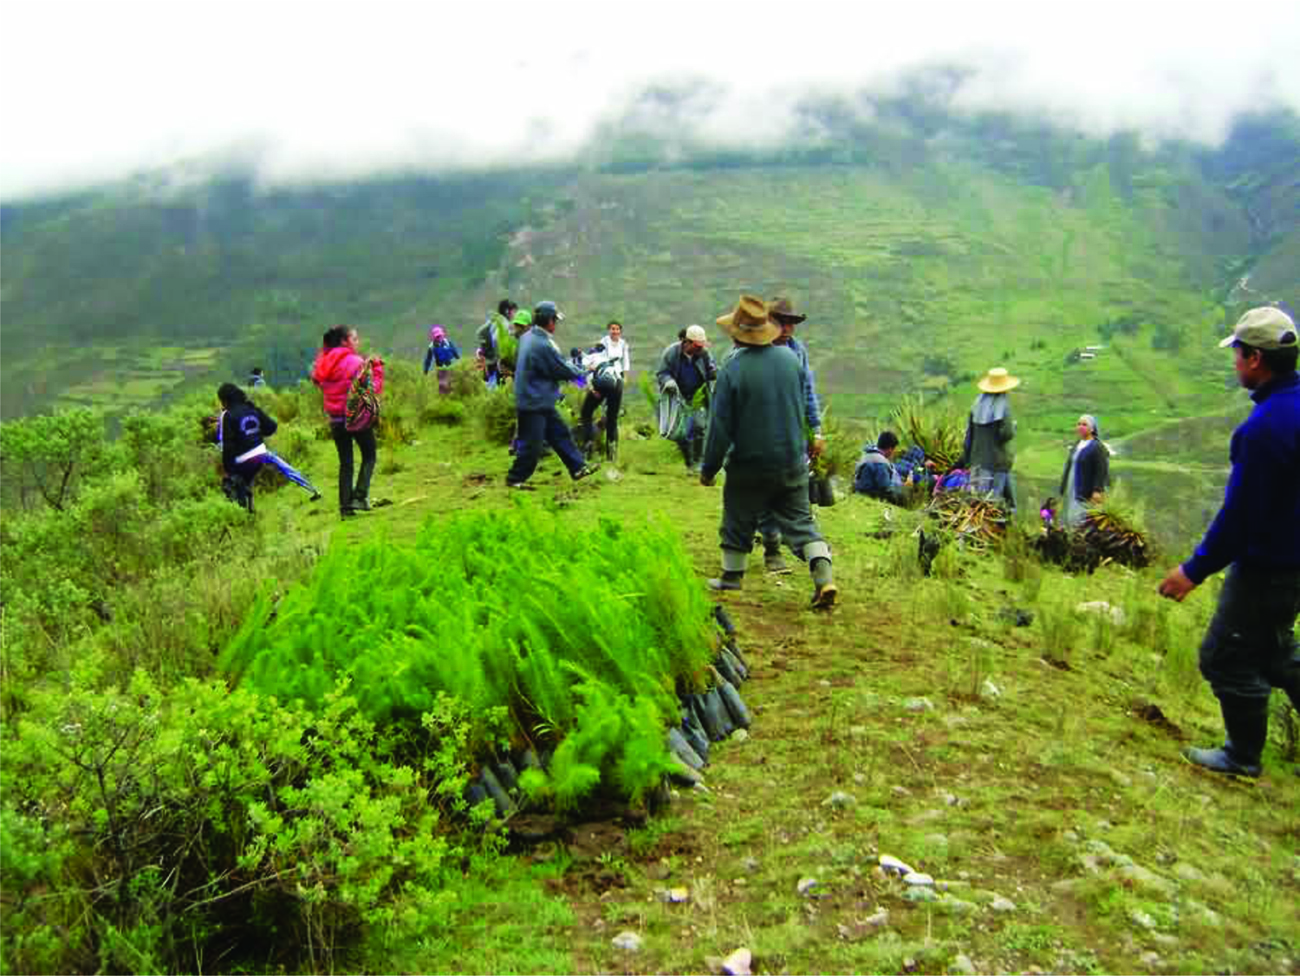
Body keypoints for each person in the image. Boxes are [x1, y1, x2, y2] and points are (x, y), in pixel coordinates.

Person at [1158, 306, 1300, 777]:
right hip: (1294, 564)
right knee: (1276, 651)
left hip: (1268, 566)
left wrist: (1192, 571)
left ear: (1255, 359)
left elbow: (1239, 520)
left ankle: (1241, 756)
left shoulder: (1262, 431)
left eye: (1237, 353)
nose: (1234, 362)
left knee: (1224, 657)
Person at [699, 295, 837, 610]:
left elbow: (720, 428)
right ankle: (824, 577)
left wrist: (709, 469)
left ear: (738, 333)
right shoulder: (791, 360)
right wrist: (813, 435)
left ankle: (731, 577)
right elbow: (805, 404)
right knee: (802, 522)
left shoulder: (733, 368)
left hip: (749, 464)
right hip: (791, 461)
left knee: (737, 513)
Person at [505, 301, 601, 489]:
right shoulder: (542, 344)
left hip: (538, 398)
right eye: (554, 320)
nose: (556, 324)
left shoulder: (528, 336)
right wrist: (585, 369)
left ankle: (578, 467)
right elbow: (562, 369)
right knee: (532, 444)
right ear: (548, 321)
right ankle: (515, 478)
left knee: (560, 434)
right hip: (533, 402)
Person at [758, 297, 823, 570]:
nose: (787, 329)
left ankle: (804, 547)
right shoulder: (755, 350)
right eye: (782, 323)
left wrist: (816, 430)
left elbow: (808, 391)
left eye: (791, 323)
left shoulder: (799, 351)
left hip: (794, 432)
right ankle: (772, 547)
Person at [312, 325, 385, 519]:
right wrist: (377, 370)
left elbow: (318, 381)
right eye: (354, 338)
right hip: (356, 417)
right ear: (344, 341)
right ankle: (359, 497)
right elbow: (371, 391)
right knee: (369, 455)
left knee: (346, 463)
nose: (357, 342)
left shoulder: (322, 363)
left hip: (335, 420)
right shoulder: (356, 362)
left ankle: (345, 509)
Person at [215, 383, 320, 511]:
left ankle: (244, 510)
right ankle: (313, 490)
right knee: (286, 469)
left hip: (242, 459)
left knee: (240, 481)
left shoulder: (227, 415)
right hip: (261, 453)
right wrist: (255, 433)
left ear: (225, 400)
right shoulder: (252, 408)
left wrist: (229, 471)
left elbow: (227, 446)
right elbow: (271, 427)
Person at [656, 324, 717, 470]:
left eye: (701, 346)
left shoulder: (704, 354)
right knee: (680, 433)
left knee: (699, 426)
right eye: (697, 346)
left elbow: (712, 370)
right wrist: (668, 381)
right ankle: (689, 463)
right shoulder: (671, 353)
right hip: (677, 397)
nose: (700, 349)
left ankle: (698, 462)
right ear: (687, 342)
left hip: (697, 396)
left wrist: (714, 372)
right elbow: (662, 373)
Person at [960, 367, 1020, 512]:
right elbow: (1006, 434)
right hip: (997, 462)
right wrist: (1013, 428)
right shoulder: (1003, 407)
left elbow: (969, 436)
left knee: (976, 501)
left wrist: (968, 459)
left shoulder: (976, 405)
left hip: (977, 461)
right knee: (993, 502)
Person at [578, 321, 630, 463]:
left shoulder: (621, 345)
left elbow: (586, 372)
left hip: (604, 381)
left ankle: (589, 445)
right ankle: (611, 456)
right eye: (612, 329)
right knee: (612, 418)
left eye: (617, 329)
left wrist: (591, 388)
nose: (614, 331)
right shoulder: (604, 344)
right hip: (615, 382)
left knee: (586, 412)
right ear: (608, 330)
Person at [1058, 414, 1110, 526]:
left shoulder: (1097, 447)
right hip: (1070, 487)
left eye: (1084, 425)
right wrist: (1063, 486)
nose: (1080, 427)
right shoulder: (1077, 444)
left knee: (1080, 517)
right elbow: (1069, 465)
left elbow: (1101, 470)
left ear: (1092, 429)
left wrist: (1097, 490)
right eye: (1079, 424)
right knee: (1067, 515)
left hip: (1085, 489)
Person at [853, 430, 908, 502]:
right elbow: (884, 486)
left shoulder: (867, 455)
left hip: (860, 490)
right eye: (894, 449)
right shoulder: (881, 462)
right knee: (903, 493)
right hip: (870, 493)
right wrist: (903, 487)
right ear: (890, 449)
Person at [476, 299, 517, 388]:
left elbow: (480, 333)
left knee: (492, 385)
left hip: (491, 360)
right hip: (498, 363)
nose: (514, 314)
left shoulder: (494, 321)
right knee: (499, 387)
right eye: (513, 311)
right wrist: (501, 356)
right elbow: (496, 339)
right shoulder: (503, 323)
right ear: (507, 311)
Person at [422, 325, 461, 395]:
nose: (439, 338)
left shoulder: (448, 343)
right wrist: (425, 371)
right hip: (440, 369)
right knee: (443, 388)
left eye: (440, 336)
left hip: (451, 367)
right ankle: (444, 399)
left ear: (443, 335)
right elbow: (428, 360)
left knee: (452, 385)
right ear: (434, 337)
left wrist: (460, 362)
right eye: (437, 336)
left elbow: (456, 353)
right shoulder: (431, 347)